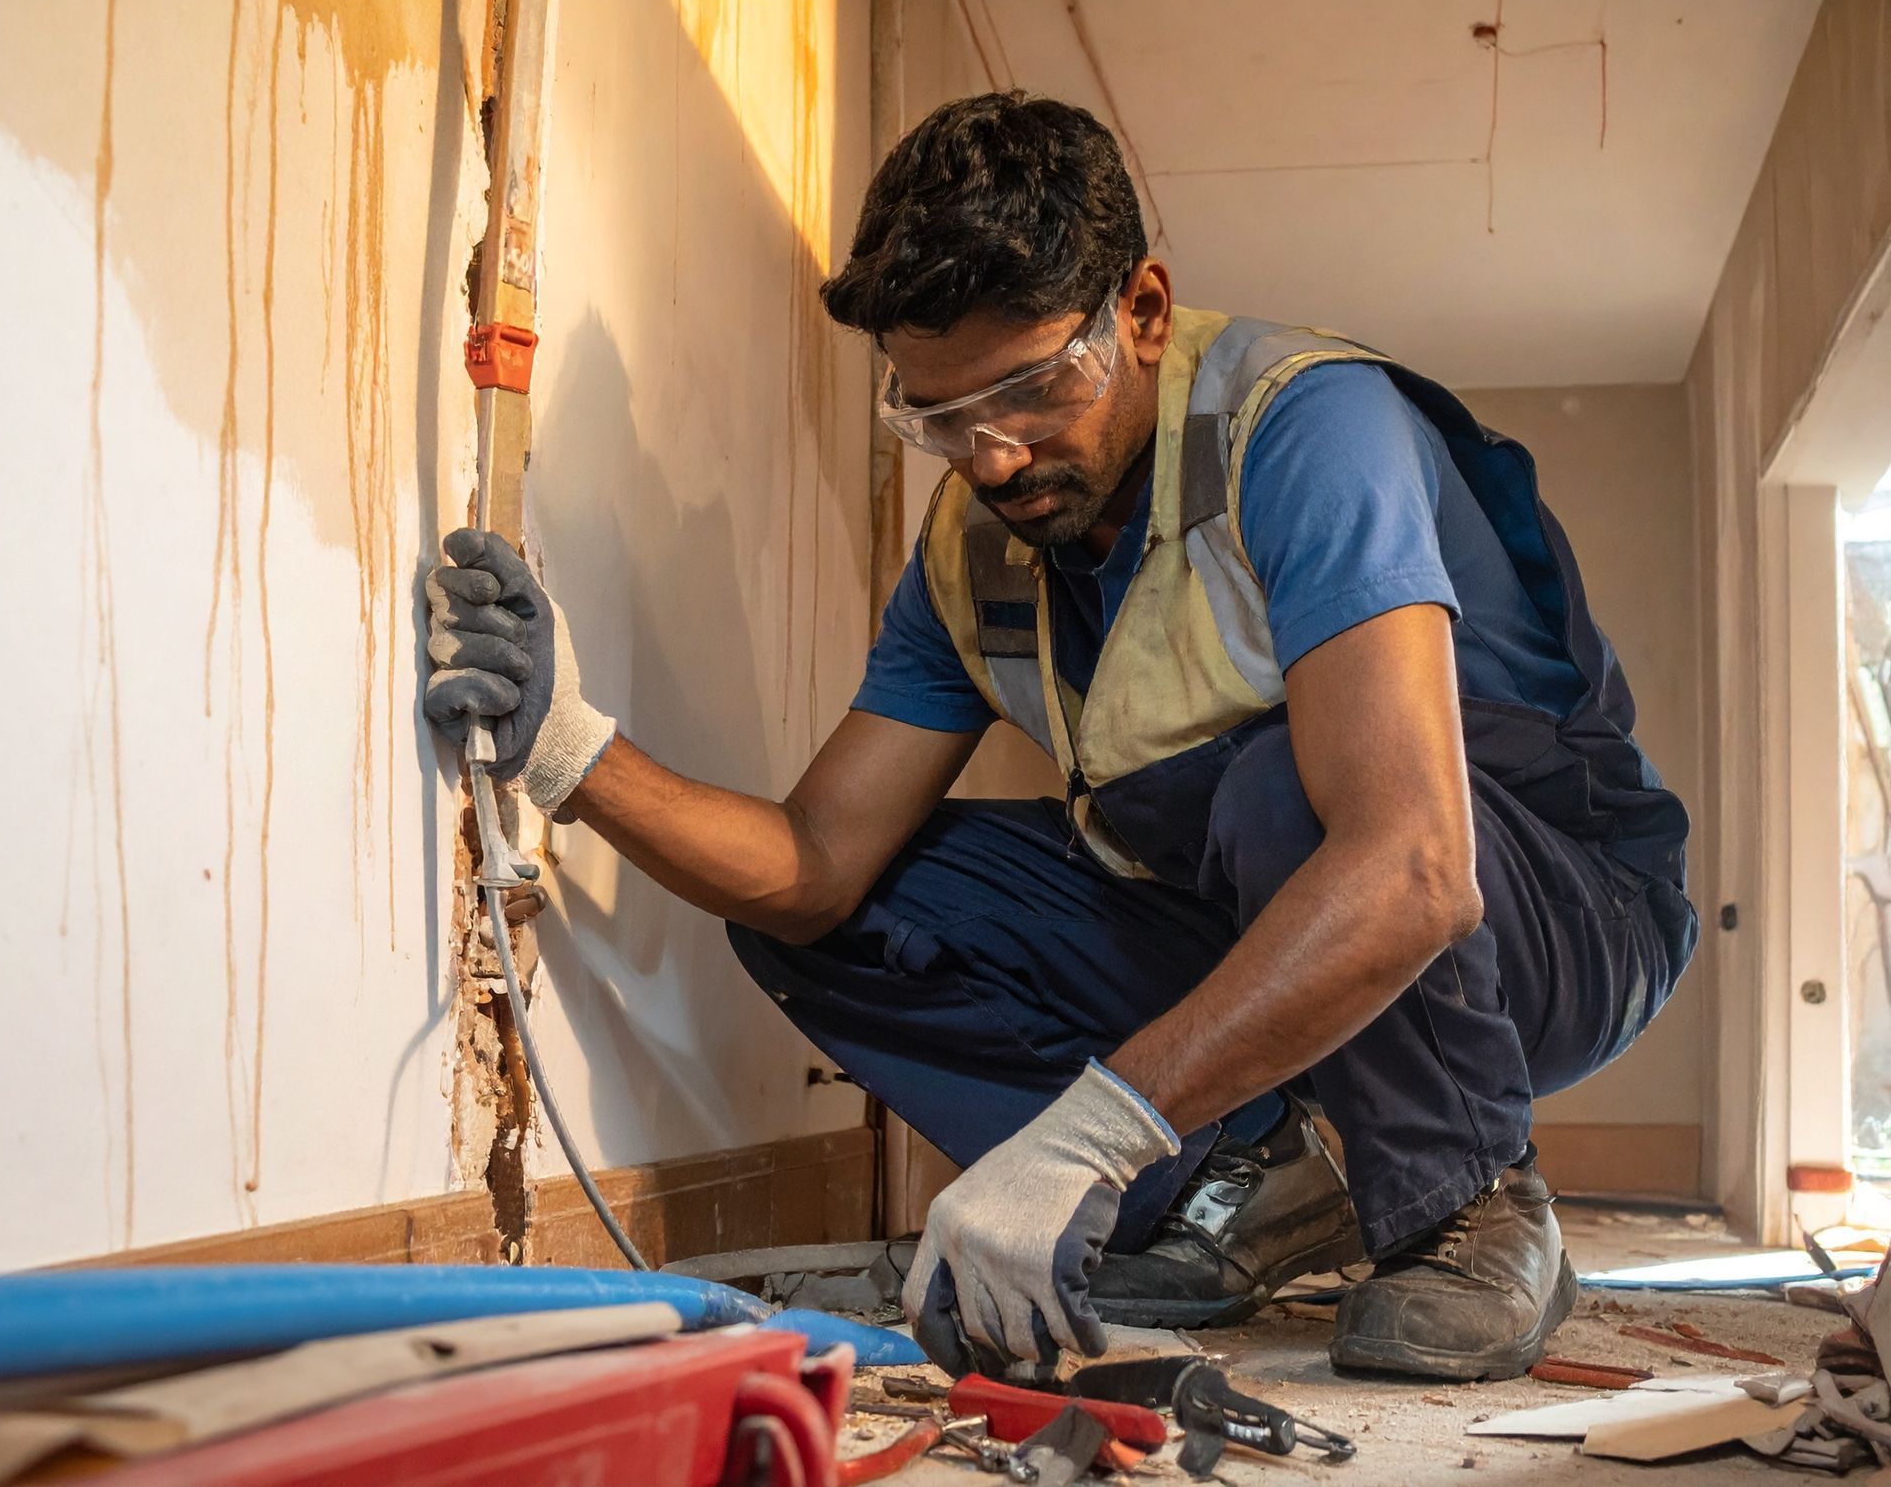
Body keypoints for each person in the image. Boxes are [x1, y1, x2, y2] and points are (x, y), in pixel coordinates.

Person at [422, 91, 1697, 1384]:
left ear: (1141, 311)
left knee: (1283, 792)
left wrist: (1088, 1130)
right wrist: (573, 750)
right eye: (938, 417)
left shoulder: (1306, 432)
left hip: (1556, 914)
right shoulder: (978, 548)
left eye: (1032, 387)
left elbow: (1414, 864)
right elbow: (813, 858)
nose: (989, 454)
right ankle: (1239, 1182)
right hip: (1258, 906)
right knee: (838, 916)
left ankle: (1466, 1196)